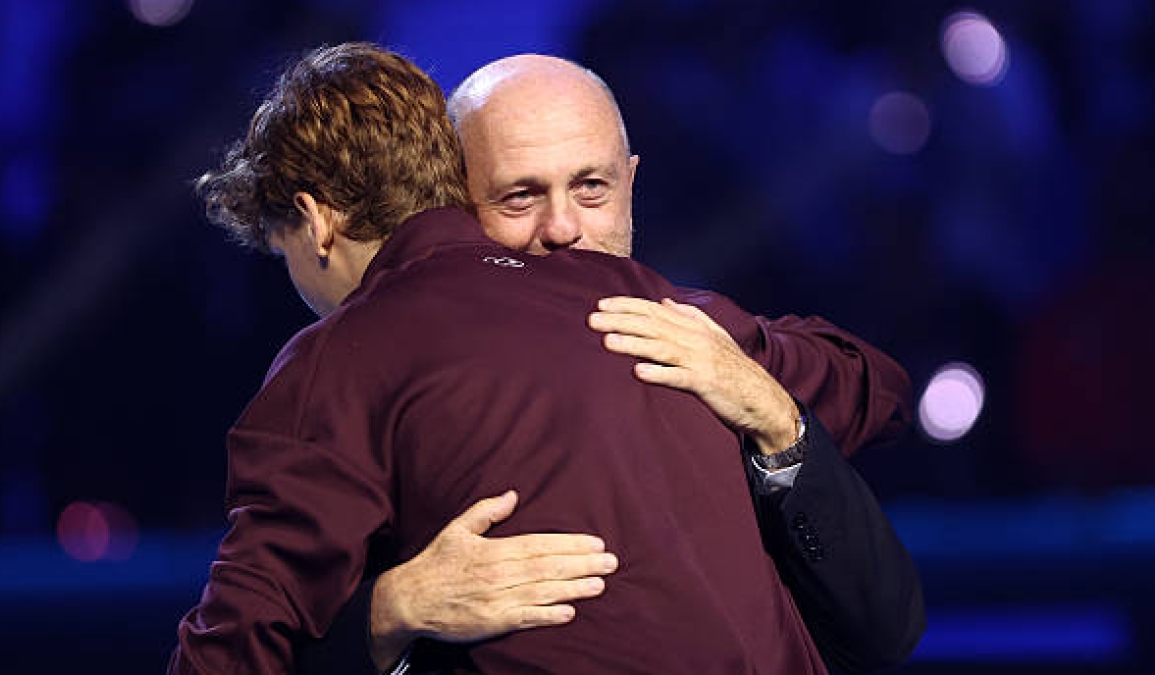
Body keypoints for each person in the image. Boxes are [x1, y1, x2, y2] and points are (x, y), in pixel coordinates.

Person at [169, 43, 922, 675]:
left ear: (315, 219)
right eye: (521, 197)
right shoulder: (648, 306)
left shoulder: (685, 328)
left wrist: (769, 405)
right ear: (455, 197)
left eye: (589, 187)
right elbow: (879, 386)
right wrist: (395, 607)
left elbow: (233, 649)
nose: (562, 231)